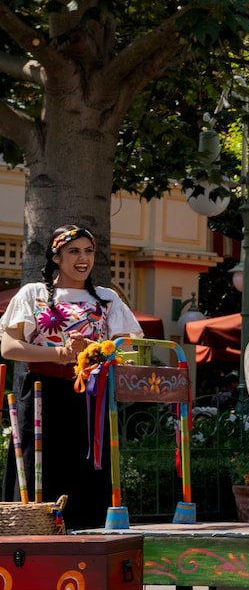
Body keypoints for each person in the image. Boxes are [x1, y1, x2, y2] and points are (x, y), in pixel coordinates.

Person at [0, 225, 143, 530]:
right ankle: (29, 539)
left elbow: (126, 348)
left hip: (90, 397)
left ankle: (88, 544)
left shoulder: (107, 298)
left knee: (88, 470)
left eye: (89, 251)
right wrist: (61, 354)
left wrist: (90, 350)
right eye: (74, 251)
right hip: (41, 393)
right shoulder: (33, 294)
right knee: (38, 468)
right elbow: (9, 347)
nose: (83, 258)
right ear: (56, 257)